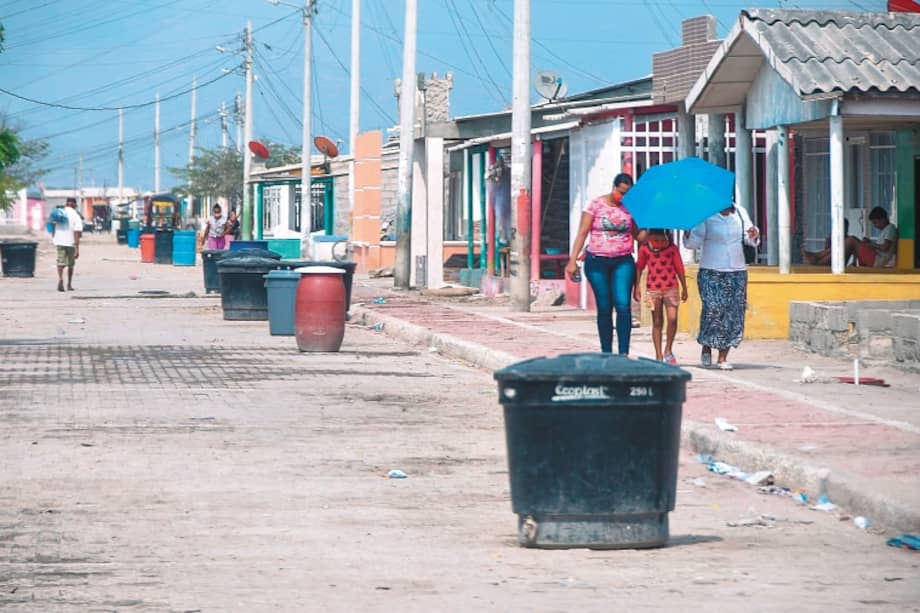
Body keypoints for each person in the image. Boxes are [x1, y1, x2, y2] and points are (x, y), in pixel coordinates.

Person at [565, 173, 647, 355]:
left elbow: (638, 236)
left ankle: (623, 352)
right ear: (613, 188)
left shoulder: (630, 209)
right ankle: (606, 352)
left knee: (623, 305)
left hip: (623, 261)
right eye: (621, 193)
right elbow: (582, 233)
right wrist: (572, 261)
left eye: (627, 194)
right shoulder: (595, 205)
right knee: (604, 306)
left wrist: (649, 224)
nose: (623, 197)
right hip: (597, 262)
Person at [684, 204, 760, 370]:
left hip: (737, 269)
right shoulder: (706, 214)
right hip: (712, 269)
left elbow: (748, 238)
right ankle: (706, 345)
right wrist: (688, 233)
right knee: (713, 310)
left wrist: (754, 234)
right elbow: (693, 243)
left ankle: (723, 356)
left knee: (733, 312)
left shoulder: (740, 212)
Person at [633, 229, 688, 364]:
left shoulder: (672, 248)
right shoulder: (645, 249)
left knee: (673, 319)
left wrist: (684, 287)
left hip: (671, 288)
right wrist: (637, 286)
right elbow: (639, 267)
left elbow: (679, 267)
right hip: (653, 290)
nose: (658, 240)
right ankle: (658, 355)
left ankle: (668, 349)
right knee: (657, 322)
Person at [52, 197, 83, 292]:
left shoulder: (60, 212)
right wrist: (77, 248)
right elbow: (77, 232)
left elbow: (53, 225)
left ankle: (60, 278)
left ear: (66, 203)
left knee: (60, 262)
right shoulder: (75, 215)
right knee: (70, 264)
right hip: (70, 242)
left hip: (59, 241)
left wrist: (54, 237)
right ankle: (69, 284)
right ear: (74, 204)